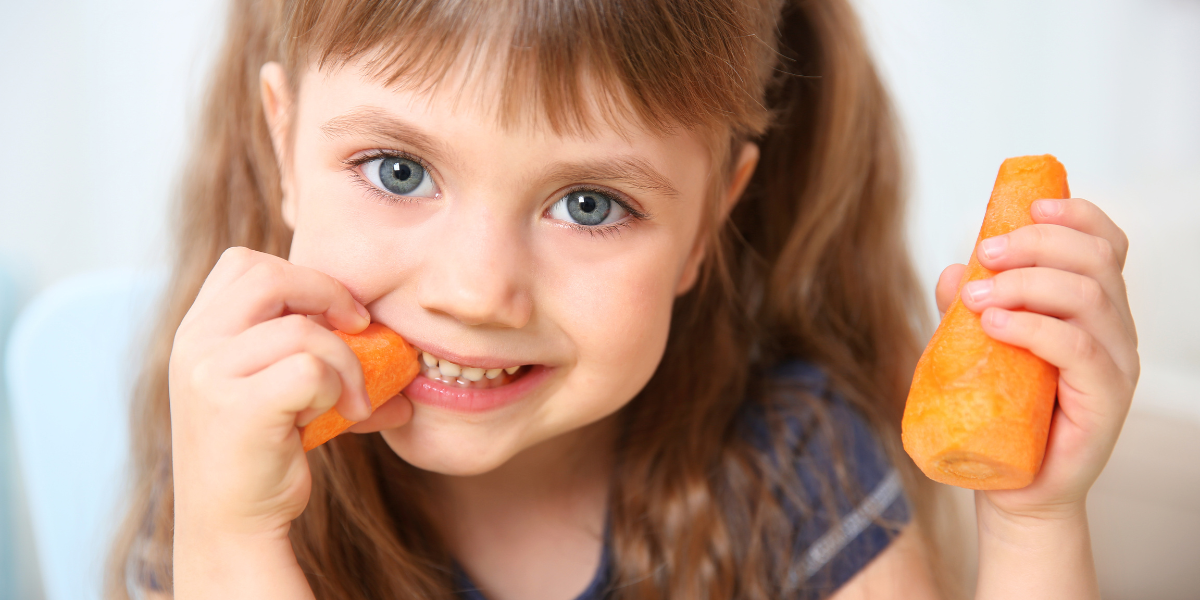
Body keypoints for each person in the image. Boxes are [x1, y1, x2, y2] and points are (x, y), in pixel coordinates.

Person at [105, 0, 1139, 598]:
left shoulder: (788, 470)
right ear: (284, 143)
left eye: (590, 203)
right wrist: (234, 541)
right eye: (399, 170)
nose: (474, 292)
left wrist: (1032, 520)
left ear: (705, 221)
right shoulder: (238, 477)